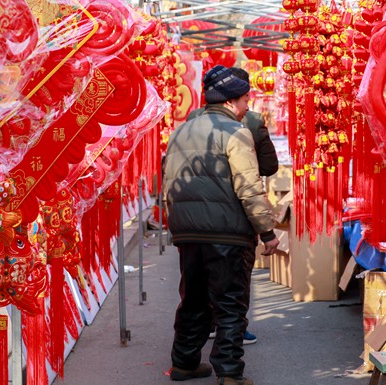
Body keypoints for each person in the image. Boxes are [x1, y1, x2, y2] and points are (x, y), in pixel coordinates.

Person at [164, 65, 279, 385]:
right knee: (229, 302)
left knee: (193, 299)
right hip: (227, 233)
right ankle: (229, 372)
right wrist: (266, 231)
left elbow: (167, 181)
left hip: (187, 232)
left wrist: (176, 223)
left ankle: (184, 363)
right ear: (230, 101)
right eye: (244, 100)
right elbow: (249, 186)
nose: (247, 107)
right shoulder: (235, 132)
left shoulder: (181, 131)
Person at [189, 67, 277, 346]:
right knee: (235, 279)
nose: (247, 103)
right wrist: (266, 232)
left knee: (197, 281)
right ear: (236, 96)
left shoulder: (191, 120)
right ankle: (233, 335)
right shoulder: (249, 122)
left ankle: (204, 332)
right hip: (232, 217)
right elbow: (265, 170)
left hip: (192, 217)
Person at [186, 67, 279, 178]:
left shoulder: (192, 118)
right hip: (232, 191)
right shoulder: (251, 123)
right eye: (245, 99)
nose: (247, 105)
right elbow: (268, 167)